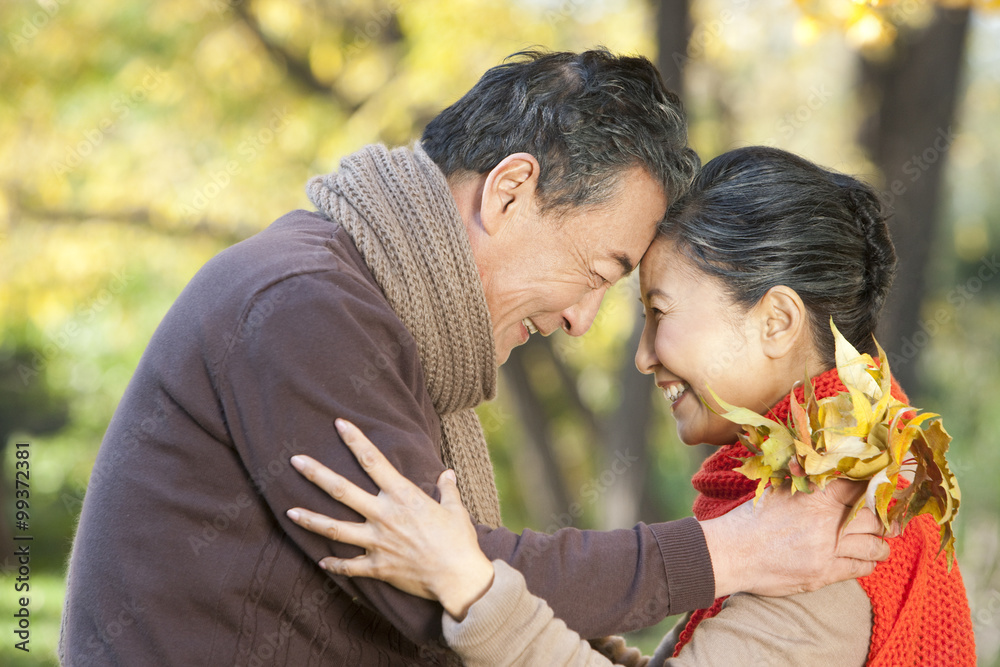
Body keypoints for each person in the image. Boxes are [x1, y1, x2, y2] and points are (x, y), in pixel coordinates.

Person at [60, 48, 891, 666]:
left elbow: (462, 570)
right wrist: (728, 551)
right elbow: (424, 587)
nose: (580, 319)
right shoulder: (306, 307)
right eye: (599, 274)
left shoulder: (361, 303)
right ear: (508, 191)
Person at [286, 147, 976, 665]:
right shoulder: (831, 483)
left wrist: (469, 583)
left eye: (659, 311)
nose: (644, 355)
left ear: (775, 321)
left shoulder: (830, 532)